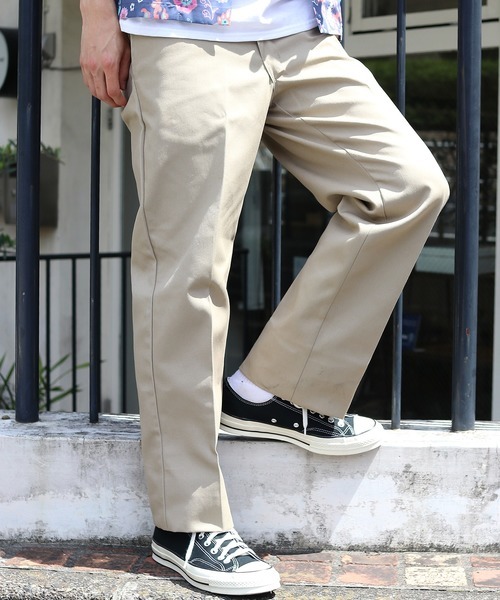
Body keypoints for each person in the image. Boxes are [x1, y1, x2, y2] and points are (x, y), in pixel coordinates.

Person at [79, 0, 449, 595]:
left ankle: (273, 391)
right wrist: (97, 16)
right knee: (188, 266)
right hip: (184, 27)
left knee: (405, 188)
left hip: (300, 31)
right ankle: (187, 521)